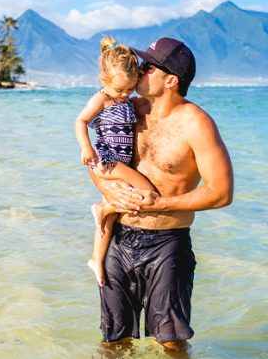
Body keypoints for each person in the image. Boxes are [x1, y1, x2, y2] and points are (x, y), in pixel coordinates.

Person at [92, 37, 234, 352]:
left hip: (167, 246)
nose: (138, 71)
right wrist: (108, 191)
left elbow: (222, 193)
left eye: (147, 67)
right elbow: (96, 158)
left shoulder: (197, 124)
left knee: (171, 343)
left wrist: (161, 204)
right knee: (113, 341)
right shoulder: (126, 110)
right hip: (119, 240)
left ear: (171, 80)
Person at [75, 36, 156, 287]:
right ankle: (103, 208)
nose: (123, 95)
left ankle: (96, 260)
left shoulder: (127, 102)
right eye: (119, 89)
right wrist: (86, 146)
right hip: (107, 161)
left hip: (121, 163)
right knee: (147, 192)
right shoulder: (101, 98)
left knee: (112, 216)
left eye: (129, 90)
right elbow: (81, 121)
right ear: (104, 80)